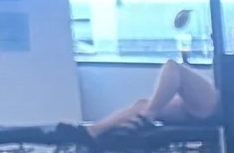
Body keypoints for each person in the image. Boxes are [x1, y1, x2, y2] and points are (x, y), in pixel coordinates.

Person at [87, 25, 218, 132]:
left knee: (173, 67)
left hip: (220, 104)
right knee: (141, 104)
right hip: (206, 105)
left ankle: (148, 115)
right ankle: (93, 131)